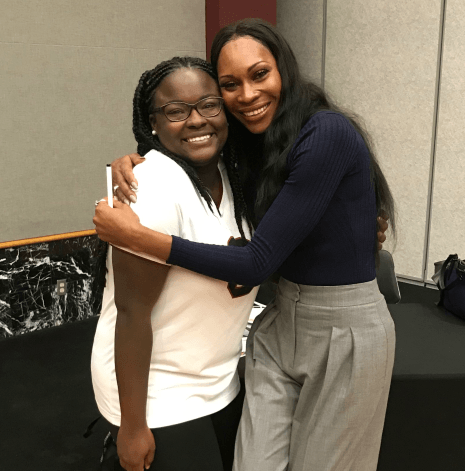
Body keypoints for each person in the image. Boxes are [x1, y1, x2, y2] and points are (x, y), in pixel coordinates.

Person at [94, 18, 395, 471]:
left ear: (284, 69)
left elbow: (256, 261)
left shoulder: (323, 132)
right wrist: (136, 155)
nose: (248, 95)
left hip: (341, 325)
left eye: (259, 74)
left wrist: (141, 239)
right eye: (231, 84)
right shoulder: (251, 150)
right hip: (277, 325)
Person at [91, 56, 261, 471]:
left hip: (220, 376)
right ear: (152, 123)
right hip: (159, 393)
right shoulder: (153, 187)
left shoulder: (235, 173)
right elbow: (131, 313)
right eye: (175, 111)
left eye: (208, 104)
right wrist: (133, 425)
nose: (196, 120)